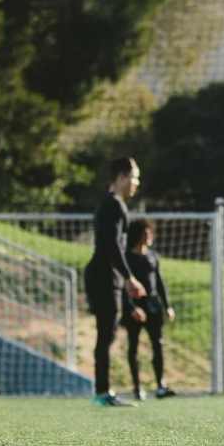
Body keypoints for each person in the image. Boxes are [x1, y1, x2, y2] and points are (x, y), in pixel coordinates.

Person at [84, 157, 146, 407]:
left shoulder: (110, 205)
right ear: (121, 177)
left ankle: (103, 391)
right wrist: (130, 277)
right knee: (106, 335)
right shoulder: (115, 206)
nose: (136, 183)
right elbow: (112, 247)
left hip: (105, 276)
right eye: (134, 177)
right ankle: (103, 392)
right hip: (103, 276)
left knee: (106, 335)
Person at [122, 219, 177, 400]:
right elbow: (123, 286)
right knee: (134, 346)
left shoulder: (153, 256)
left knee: (158, 344)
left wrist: (167, 305)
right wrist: (130, 308)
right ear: (138, 235)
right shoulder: (127, 258)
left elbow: (159, 283)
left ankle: (161, 385)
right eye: (146, 233)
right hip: (135, 306)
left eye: (150, 233)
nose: (149, 236)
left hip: (153, 305)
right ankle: (137, 388)